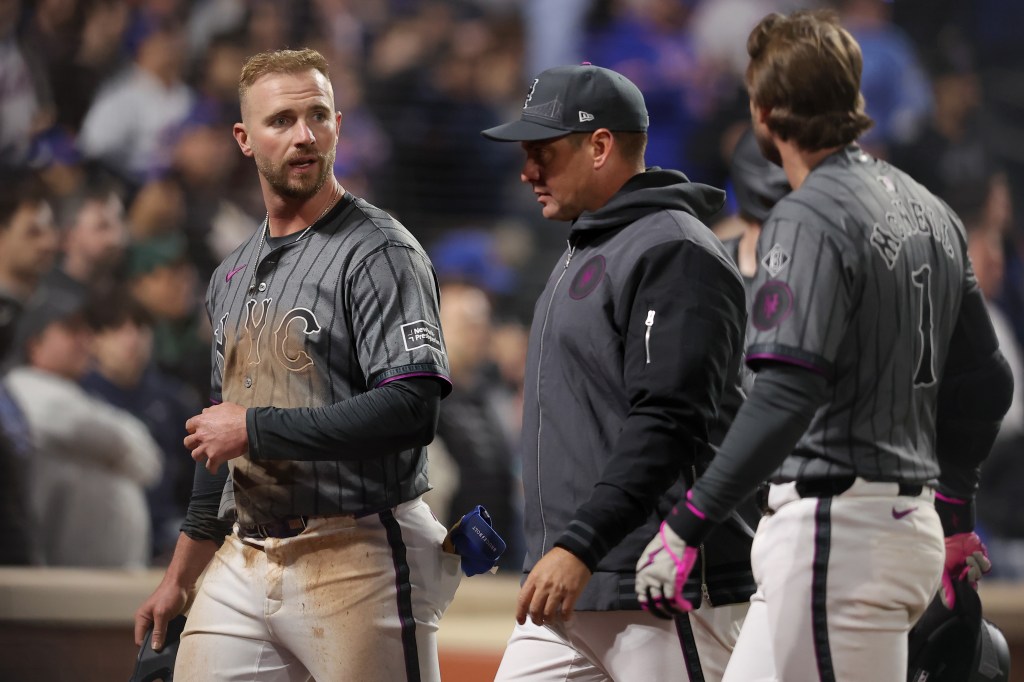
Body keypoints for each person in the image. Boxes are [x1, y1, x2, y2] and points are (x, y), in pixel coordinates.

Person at [633, 11, 1015, 682]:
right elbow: (986, 384)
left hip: (839, 535)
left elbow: (785, 392)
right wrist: (955, 514)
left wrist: (689, 522)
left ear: (762, 110)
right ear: (854, 101)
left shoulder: (805, 216)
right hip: (898, 522)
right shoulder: (930, 208)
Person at [133, 48, 461, 681]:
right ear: (244, 139)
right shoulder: (229, 273)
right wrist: (178, 577)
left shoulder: (381, 252)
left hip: (358, 546)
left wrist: (253, 429)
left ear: (339, 124)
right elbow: (215, 440)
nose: (304, 135)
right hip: (246, 548)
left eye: (319, 116)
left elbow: (411, 408)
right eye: (282, 120)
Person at [481, 64, 752, 681]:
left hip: (660, 584)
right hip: (576, 585)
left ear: (600, 146)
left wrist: (581, 543)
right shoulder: (592, 245)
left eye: (542, 152)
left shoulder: (674, 249)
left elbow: (669, 421)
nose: (527, 171)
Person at [5, 295, 162, 567]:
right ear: (35, 344)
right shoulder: (22, 388)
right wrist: (123, 447)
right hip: (59, 573)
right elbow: (111, 438)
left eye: (86, 331)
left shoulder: (76, 395)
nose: (85, 340)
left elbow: (150, 461)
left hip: (98, 574)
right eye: (71, 330)